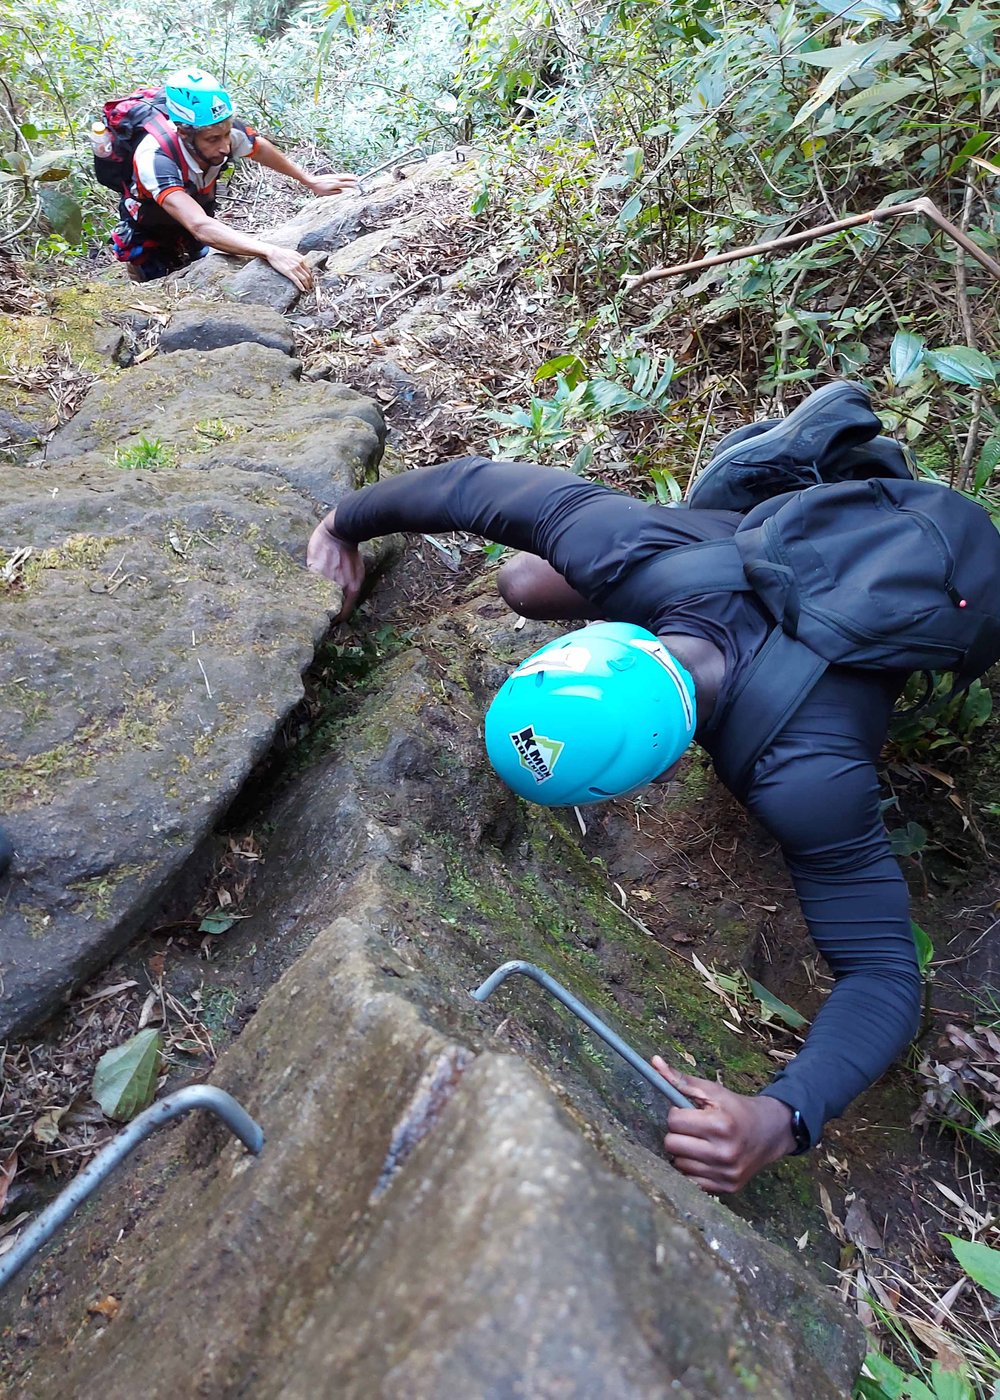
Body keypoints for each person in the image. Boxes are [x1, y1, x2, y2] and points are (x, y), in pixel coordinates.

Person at [304, 385, 949, 1193]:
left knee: (541, 574)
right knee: (528, 581)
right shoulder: (626, 545)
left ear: (660, 770)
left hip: (919, 580)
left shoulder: (807, 772)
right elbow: (472, 488)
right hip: (766, 553)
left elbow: (886, 972)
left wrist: (784, 1119)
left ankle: (781, 481)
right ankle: (762, 486)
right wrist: (343, 520)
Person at [111, 67, 357, 287]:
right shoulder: (155, 158)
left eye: (227, 134)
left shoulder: (218, 128)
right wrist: (269, 251)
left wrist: (309, 181)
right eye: (213, 140)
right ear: (185, 133)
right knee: (157, 279)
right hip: (153, 227)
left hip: (195, 210)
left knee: (198, 258)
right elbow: (199, 225)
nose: (226, 147)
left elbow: (258, 148)